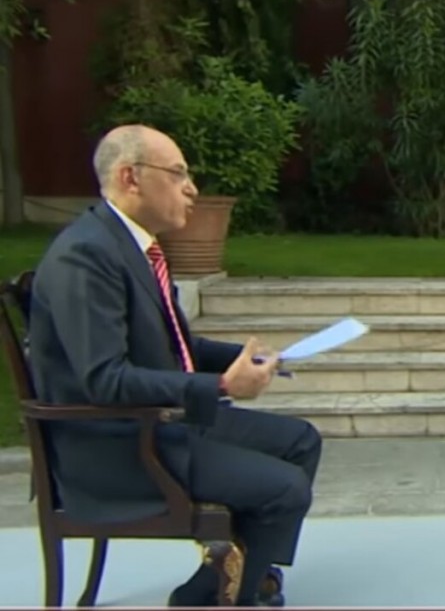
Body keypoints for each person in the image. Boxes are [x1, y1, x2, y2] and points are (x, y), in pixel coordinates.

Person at [28, 124, 322, 607]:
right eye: (178, 173)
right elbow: (104, 380)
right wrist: (222, 385)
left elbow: (175, 347)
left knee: (301, 441)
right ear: (131, 177)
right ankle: (232, 593)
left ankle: (232, 572)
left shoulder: (129, 246)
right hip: (118, 446)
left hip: (160, 426)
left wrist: (246, 359)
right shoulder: (85, 256)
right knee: (285, 490)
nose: (192, 188)